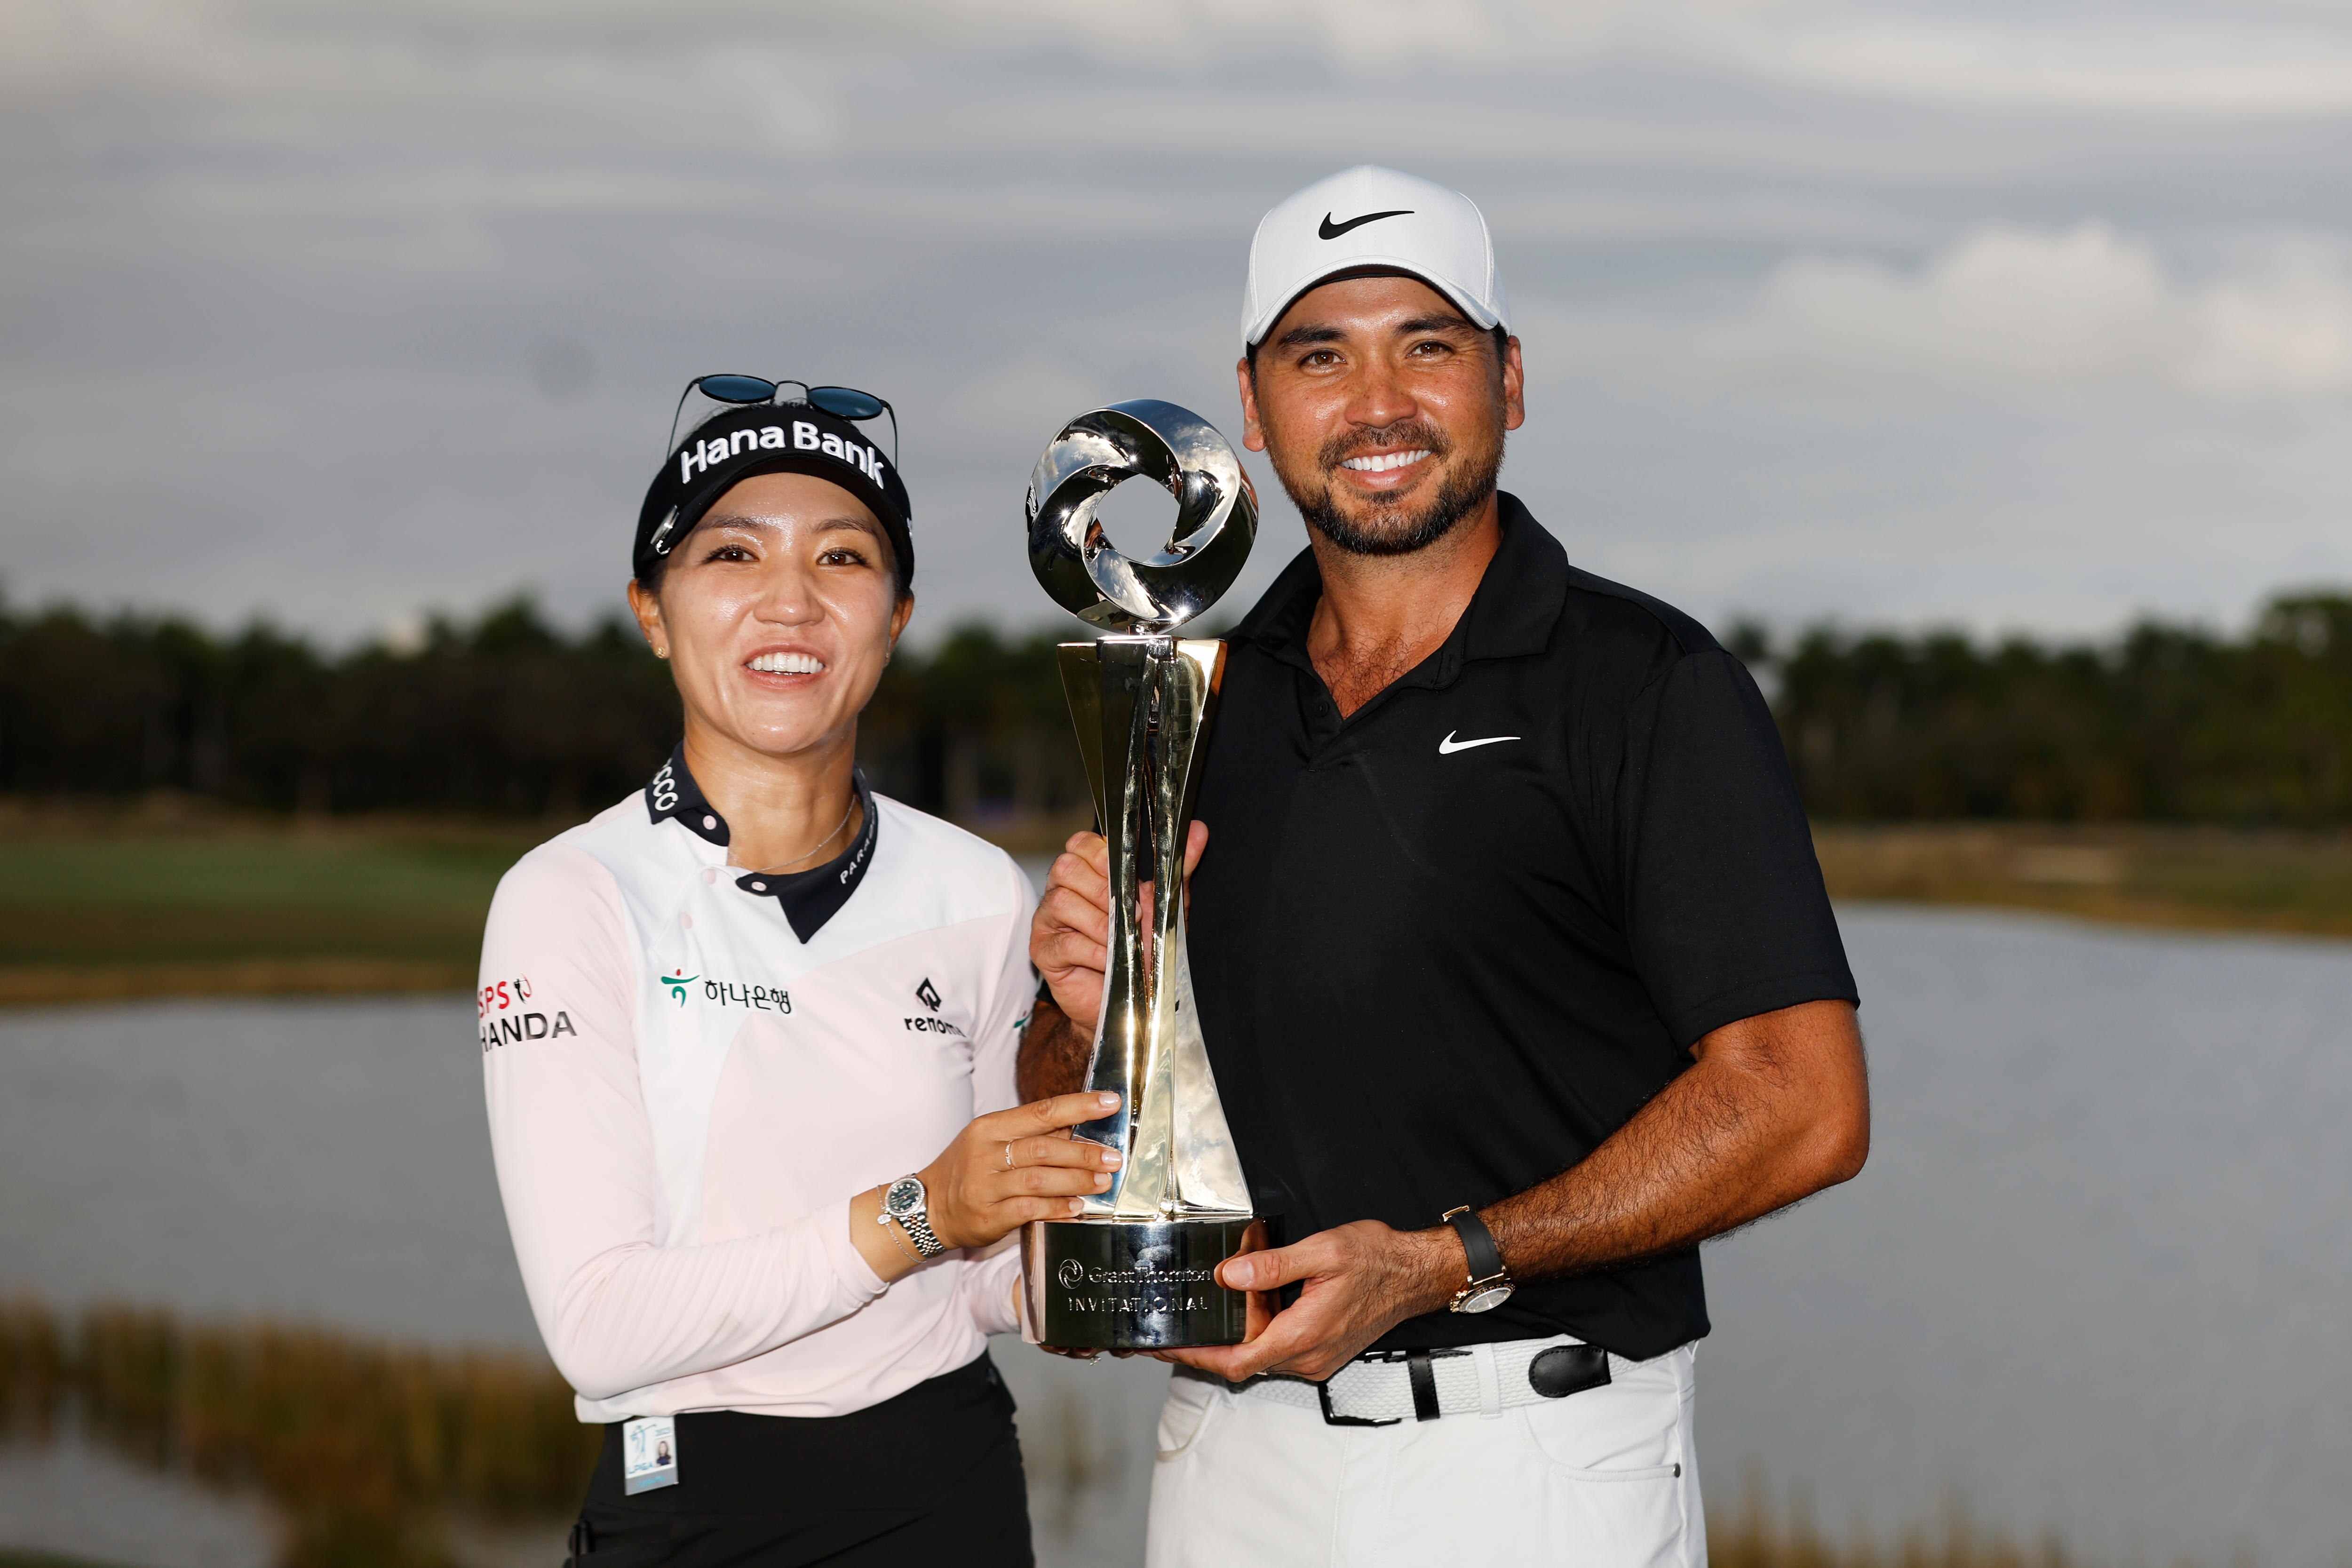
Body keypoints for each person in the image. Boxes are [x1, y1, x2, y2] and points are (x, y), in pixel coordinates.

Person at [1021, 166, 1871, 1565]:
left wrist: (1446, 1259)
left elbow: (1804, 1102)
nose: (1378, 403)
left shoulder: (1648, 684)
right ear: (1252, 404)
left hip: (1532, 1452)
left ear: (1510, 378)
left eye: (1428, 344)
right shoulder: (1200, 705)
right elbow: (1062, 1120)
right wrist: (1078, 1006)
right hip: (1231, 1454)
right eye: (1321, 355)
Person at [480, 377, 1122, 1567]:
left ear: (897, 616)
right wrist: (924, 1209)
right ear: (652, 610)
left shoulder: (978, 886)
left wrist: (1092, 1271)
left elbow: (979, 1280)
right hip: (690, 1502)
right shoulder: (569, 895)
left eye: (842, 556)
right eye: (732, 552)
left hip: (950, 1488)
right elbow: (600, 1325)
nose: (791, 599)